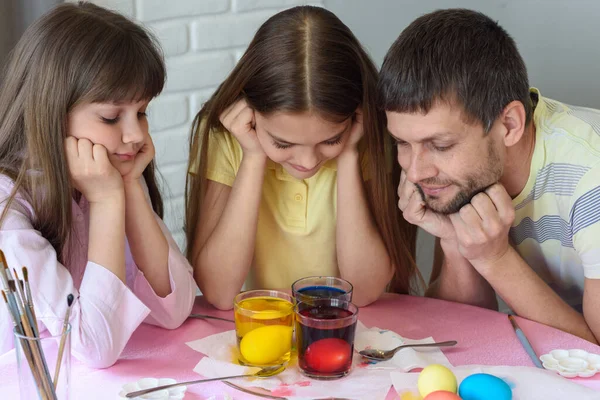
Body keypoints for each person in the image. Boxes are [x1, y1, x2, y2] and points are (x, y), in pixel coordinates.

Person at [378, 8, 600, 343]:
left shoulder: (591, 182)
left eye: (439, 145)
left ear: (509, 125)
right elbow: (462, 329)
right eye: (402, 143)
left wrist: (494, 259)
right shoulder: (466, 174)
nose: (416, 171)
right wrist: (455, 242)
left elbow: (594, 359)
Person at [0, 2, 196, 367]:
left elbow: (175, 309)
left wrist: (130, 185)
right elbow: (94, 347)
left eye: (141, 112)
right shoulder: (9, 209)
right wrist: (106, 201)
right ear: (52, 113)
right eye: (110, 117)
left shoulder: (104, 175)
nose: (136, 134)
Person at [186, 6, 418, 310]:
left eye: (330, 139)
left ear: (354, 118)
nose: (308, 162)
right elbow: (218, 292)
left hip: (347, 331)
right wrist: (253, 156)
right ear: (250, 116)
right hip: (258, 330)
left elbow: (362, 291)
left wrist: (347, 155)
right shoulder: (223, 136)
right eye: (282, 143)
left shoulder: (367, 136)